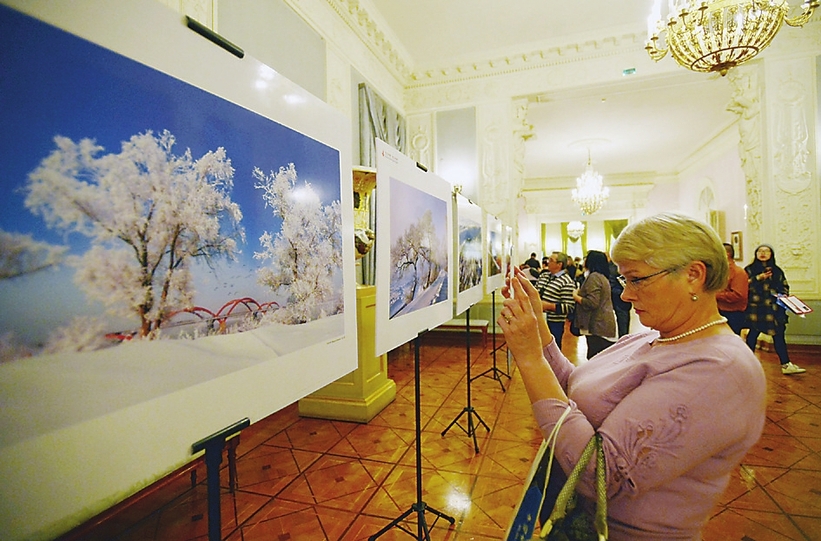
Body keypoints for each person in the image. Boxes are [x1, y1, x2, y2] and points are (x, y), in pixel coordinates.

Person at [497, 212, 766, 541]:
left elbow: (600, 475)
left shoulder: (720, 370)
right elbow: (573, 386)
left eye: (637, 279)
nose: (625, 294)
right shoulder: (657, 335)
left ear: (694, 275)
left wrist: (528, 358)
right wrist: (538, 321)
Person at [744, 244, 806, 375]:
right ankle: (747, 363)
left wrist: (781, 295)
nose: (763, 253)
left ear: (771, 254)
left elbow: (784, 286)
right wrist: (759, 278)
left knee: (778, 335)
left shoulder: (777, 271)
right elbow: (744, 285)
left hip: (773, 309)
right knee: (753, 334)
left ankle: (786, 364)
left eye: (766, 251)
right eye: (760, 251)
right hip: (756, 307)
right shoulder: (749, 269)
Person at [572, 250, 617, 359]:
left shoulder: (594, 277)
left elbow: (592, 302)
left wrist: (575, 296)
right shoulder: (601, 277)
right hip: (602, 324)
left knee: (595, 358)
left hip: (597, 325)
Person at [534, 252, 576, 350]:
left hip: (554, 323)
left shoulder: (567, 282)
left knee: (552, 351)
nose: (548, 262)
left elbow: (569, 307)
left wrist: (547, 306)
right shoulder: (543, 276)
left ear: (559, 264)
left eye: (551, 260)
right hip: (538, 320)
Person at [716, 242, 748, 335]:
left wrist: (714, 295)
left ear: (727, 254)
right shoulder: (720, 270)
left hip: (732, 314)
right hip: (719, 311)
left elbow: (738, 295)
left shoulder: (738, 272)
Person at [608, 254, 632, 336]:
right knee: (623, 325)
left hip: (622, 300)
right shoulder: (614, 268)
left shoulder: (620, 266)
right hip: (619, 300)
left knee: (623, 325)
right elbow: (612, 286)